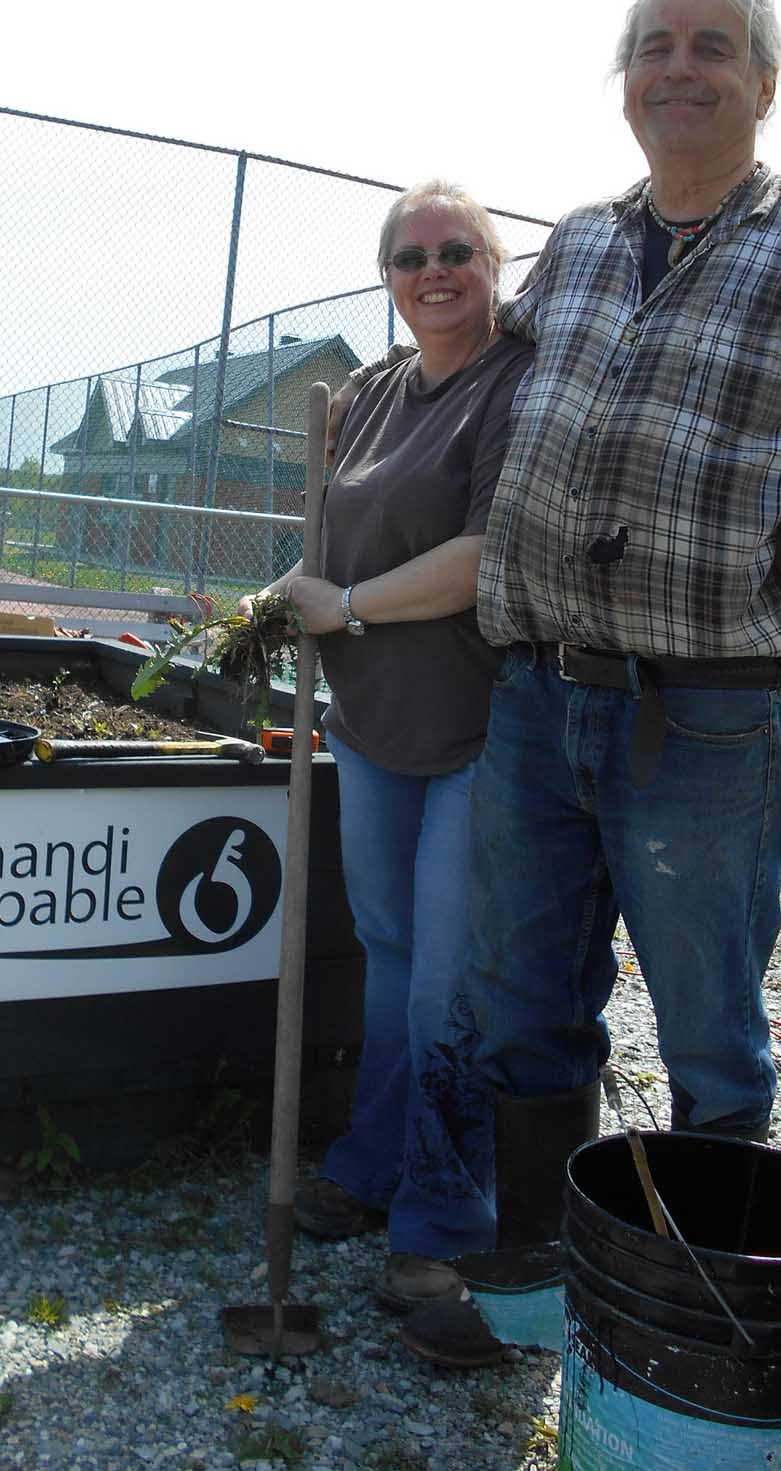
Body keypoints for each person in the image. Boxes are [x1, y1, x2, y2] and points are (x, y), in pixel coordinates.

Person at [333, 0, 781, 1366]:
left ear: (764, 84)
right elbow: (485, 368)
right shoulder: (583, 241)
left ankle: (709, 1333)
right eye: (652, 47)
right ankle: (535, 1289)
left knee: (713, 1035)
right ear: (625, 83)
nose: (678, 67)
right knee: (531, 1011)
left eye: (713, 47)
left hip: (699, 708)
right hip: (535, 693)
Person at [245, 180, 532, 1324]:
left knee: (447, 985)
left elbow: (480, 554)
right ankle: (371, 1160)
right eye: (410, 256)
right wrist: (296, 590)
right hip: (369, 726)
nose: (434, 270)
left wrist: (346, 606)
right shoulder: (368, 393)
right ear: (388, 278)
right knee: (390, 950)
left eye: (456, 249)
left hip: (476, 727)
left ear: (492, 262)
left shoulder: (513, 386)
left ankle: (442, 1215)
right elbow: (329, 533)